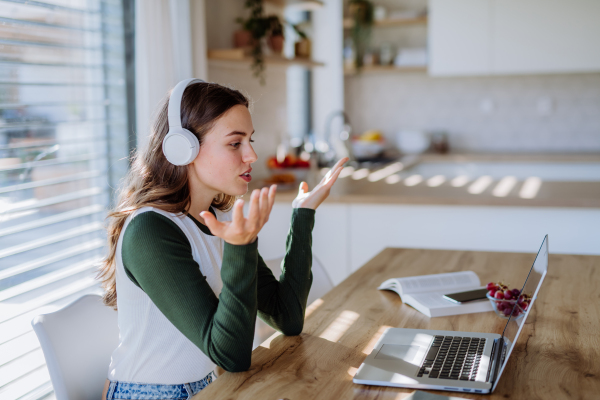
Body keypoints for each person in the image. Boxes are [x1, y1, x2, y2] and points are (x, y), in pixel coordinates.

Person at [97, 79, 348, 400]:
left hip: (208, 385)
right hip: (149, 394)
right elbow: (231, 354)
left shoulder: (216, 220)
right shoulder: (151, 230)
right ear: (182, 147)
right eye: (235, 143)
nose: (252, 155)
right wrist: (240, 246)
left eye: (250, 141)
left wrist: (303, 215)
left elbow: (287, 317)